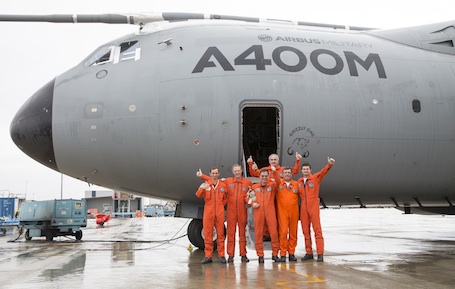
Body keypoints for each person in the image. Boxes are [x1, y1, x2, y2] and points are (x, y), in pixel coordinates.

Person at [197, 164, 253, 263]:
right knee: (230, 234)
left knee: (242, 234)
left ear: (241, 171)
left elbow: (253, 192)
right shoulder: (227, 181)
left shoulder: (247, 182)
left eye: (238, 171)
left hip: (241, 211)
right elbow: (213, 180)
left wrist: (250, 203)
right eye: (235, 171)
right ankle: (230, 255)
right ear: (233, 172)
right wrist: (202, 177)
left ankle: (243, 254)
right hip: (230, 211)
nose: (237, 173)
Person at [298, 157, 335, 262]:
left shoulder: (315, 178)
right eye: (304, 169)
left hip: (313, 205)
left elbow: (323, 172)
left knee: (317, 230)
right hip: (304, 206)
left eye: (307, 169)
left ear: (310, 170)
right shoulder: (299, 182)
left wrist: (330, 164)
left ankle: (320, 253)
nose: (305, 170)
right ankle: (309, 252)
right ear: (301, 171)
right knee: (305, 231)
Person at [195, 166, 228, 264]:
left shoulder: (223, 185)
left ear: (219, 174)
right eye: (213, 173)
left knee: (221, 235)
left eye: (216, 173)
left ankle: (221, 255)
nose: (214, 175)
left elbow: (226, 197)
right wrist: (202, 189)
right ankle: (208, 256)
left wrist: (222, 205)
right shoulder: (205, 184)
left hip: (219, 212)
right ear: (210, 174)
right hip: (208, 212)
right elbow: (198, 195)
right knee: (208, 234)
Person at [248, 166, 280, 263]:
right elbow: (248, 198)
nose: (264, 178)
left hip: (270, 211)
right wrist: (253, 203)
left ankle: (275, 254)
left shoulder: (272, 186)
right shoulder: (254, 187)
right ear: (259, 177)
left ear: (268, 176)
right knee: (258, 233)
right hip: (259, 211)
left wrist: (275, 173)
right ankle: (260, 255)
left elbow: (278, 182)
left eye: (266, 176)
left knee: (274, 233)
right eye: (262, 176)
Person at [276, 167, 299, 262]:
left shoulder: (296, 184)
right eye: (285, 173)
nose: (287, 174)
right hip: (283, 212)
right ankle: (282, 254)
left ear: (291, 174)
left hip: (294, 212)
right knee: (283, 233)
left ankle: (291, 253)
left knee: (293, 233)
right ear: (282, 174)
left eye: (289, 172)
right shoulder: (278, 185)